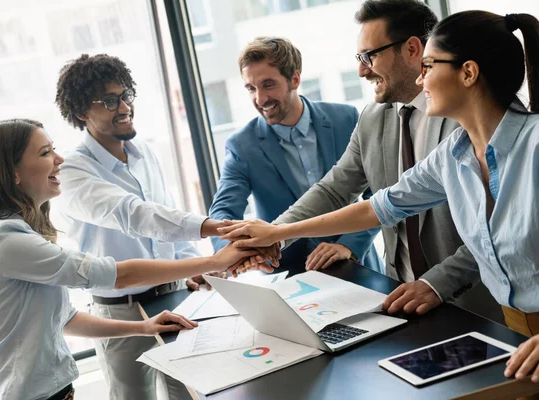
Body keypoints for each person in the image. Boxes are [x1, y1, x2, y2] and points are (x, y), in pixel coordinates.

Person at [219, 9, 539, 384]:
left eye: (430, 66)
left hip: (486, 314)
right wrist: (275, 233)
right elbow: (379, 205)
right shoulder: (455, 152)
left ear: (467, 73)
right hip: (510, 326)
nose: (422, 77)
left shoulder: (527, 143)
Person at [0, 119, 255, 400]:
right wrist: (214, 261)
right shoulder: (6, 240)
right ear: (13, 173)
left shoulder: (19, 235)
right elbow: (116, 274)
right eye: (45, 153)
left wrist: (143, 327)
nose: (59, 160)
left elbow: (65, 318)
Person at [53, 54, 275, 400]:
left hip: (174, 298)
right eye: (110, 101)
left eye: (126, 95)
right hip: (119, 311)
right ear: (82, 112)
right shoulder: (72, 172)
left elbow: (168, 213)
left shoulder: (144, 153)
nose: (124, 106)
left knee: (188, 393)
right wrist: (219, 228)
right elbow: (134, 214)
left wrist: (193, 267)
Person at [209, 36, 383, 274]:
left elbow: (379, 194)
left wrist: (348, 245)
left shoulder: (346, 119)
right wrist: (232, 253)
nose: (259, 99)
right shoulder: (242, 145)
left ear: (295, 79)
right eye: (251, 88)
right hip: (288, 274)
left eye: (268, 85)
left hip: (356, 264)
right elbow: (224, 212)